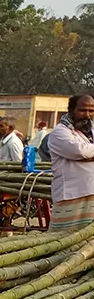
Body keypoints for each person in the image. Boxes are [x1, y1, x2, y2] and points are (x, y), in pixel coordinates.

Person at [46, 94, 94, 232]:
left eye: (91, 111)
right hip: (71, 194)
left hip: (90, 191)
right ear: (71, 110)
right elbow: (80, 151)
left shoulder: (90, 132)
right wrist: (84, 155)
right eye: (82, 110)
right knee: (63, 239)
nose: (87, 115)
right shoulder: (59, 132)